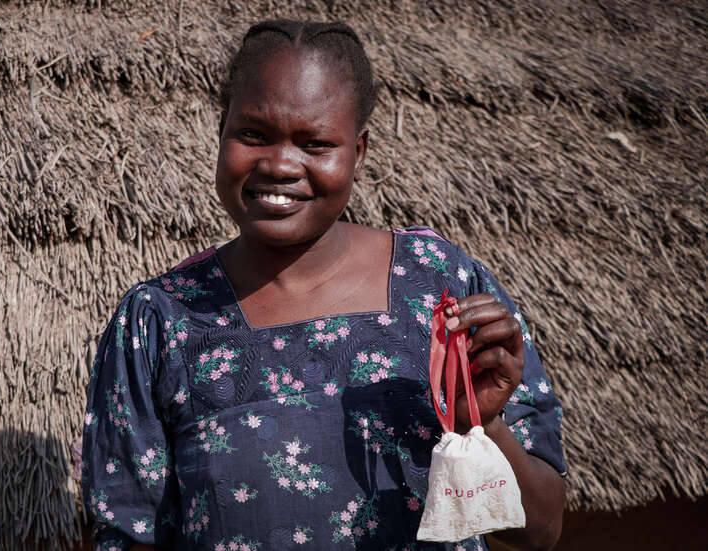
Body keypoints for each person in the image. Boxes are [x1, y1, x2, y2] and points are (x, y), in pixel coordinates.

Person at [81, 19, 566, 551]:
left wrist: (484, 424)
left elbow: (538, 532)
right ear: (221, 129)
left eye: (315, 143)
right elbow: (128, 534)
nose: (281, 164)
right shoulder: (161, 321)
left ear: (357, 152)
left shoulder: (438, 287)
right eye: (253, 134)